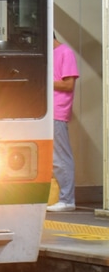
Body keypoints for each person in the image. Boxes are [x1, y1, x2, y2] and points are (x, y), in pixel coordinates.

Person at [50, 35, 79, 212]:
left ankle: (67, 200)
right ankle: (62, 198)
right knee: (55, 157)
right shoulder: (50, 54)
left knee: (60, 157)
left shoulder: (65, 52)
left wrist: (46, 81)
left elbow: (68, 85)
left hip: (57, 111)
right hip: (46, 111)